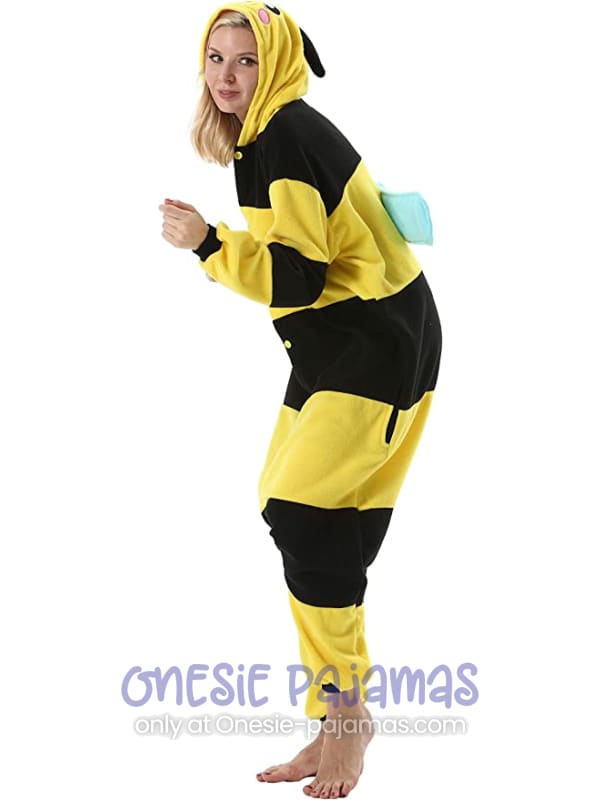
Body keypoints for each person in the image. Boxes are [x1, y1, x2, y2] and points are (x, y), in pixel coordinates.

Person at [159, 2, 442, 797]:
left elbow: (298, 276)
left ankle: (346, 716)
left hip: (374, 344)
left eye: (246, 60)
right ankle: (337, 714)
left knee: (304, 513)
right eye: (217, 57)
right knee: (301, 513)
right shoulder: (265, 134)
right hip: (335, 343)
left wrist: (208, 244)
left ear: (277, 64)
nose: (227, 75)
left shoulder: (282, 135)